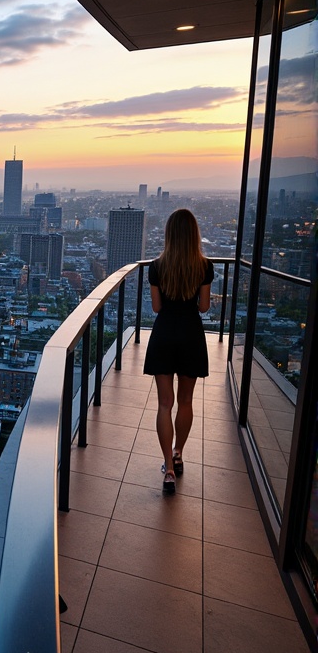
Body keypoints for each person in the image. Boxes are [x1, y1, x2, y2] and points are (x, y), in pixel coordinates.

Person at [143, 209, 214, 495]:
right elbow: (204, 307)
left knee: (164, 403)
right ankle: (178, 453)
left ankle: (168, 470)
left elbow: (157, 308)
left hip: (164, 335)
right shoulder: (204, 266)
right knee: (185, 401)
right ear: (194, 234)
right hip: (190, 335)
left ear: (169, 234)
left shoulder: (157, 266)